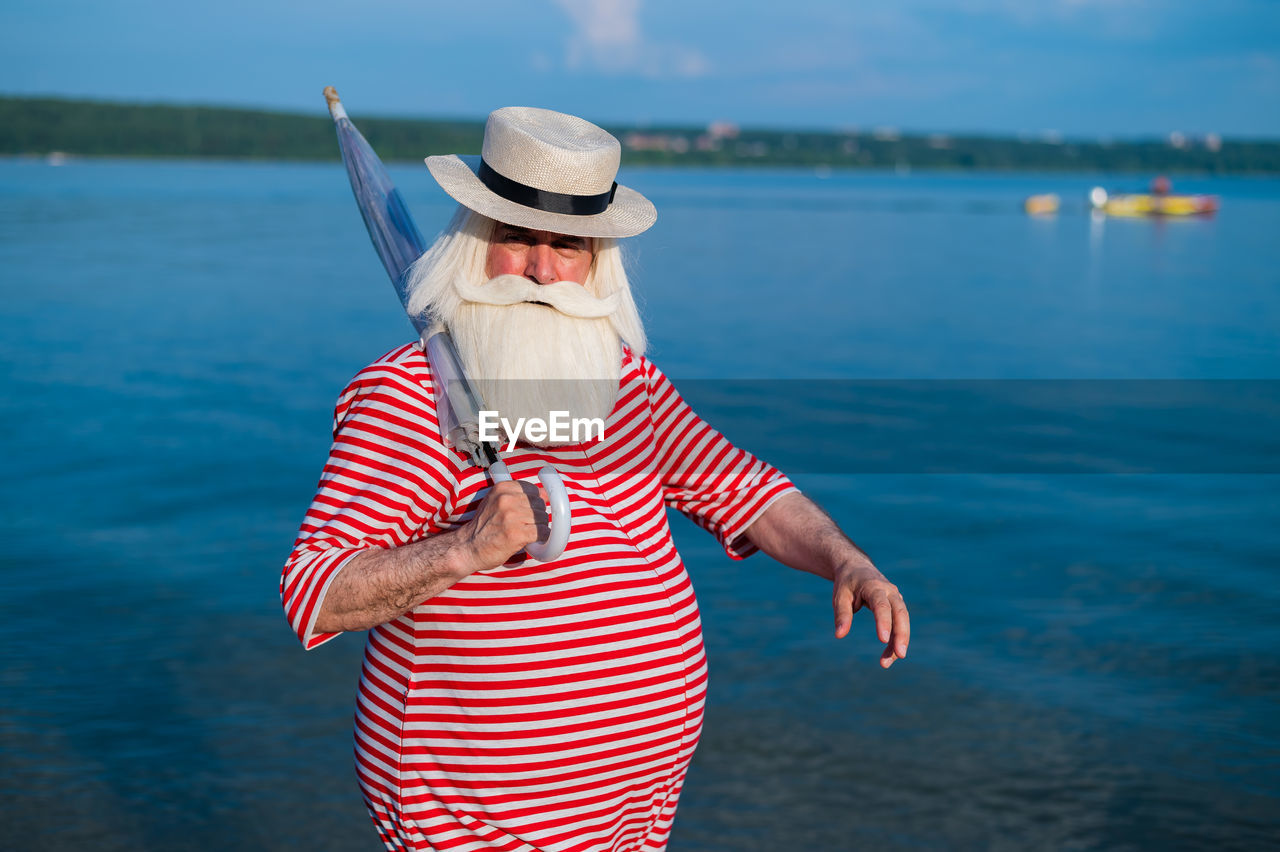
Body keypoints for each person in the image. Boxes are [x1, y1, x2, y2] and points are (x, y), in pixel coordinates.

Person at [282, 106, 909, 852]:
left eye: (568, 244)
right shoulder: (409, 395)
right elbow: (315, 592)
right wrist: (461, 552)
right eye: (517, 238)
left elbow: (747, 490)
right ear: (473, 240)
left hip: (635, 812)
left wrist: (847, 560)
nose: (545, 270)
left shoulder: (627, 382)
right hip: (478, 818)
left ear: (595, 260)